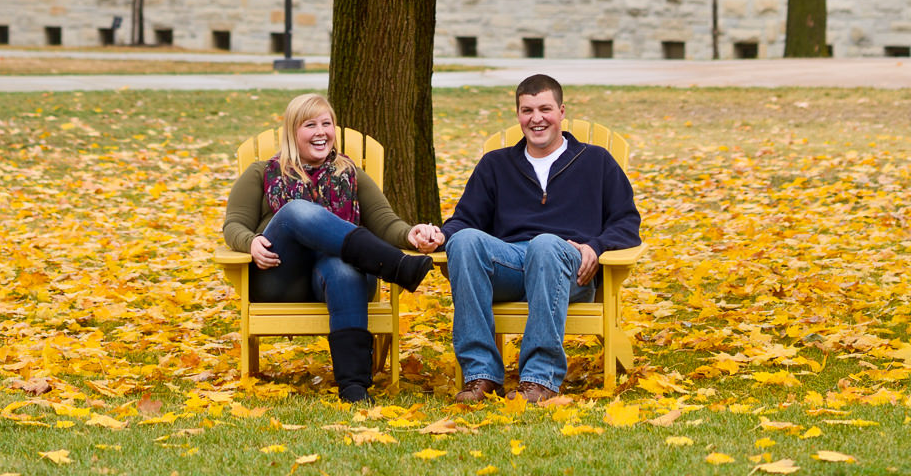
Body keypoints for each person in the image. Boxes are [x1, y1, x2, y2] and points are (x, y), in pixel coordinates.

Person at [223, 92, 445, 401]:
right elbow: (233, 225)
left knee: (342, 265)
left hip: (335, 280)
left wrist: (412, 235)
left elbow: (385, 221)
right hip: (281, 276)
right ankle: (395, 266)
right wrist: (250, 242)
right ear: (292, 132)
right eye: (309, 125)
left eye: (326, 123)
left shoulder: (350, 173)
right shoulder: (262, 173)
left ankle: (354, 387)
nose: (320, 132)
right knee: (295, 211)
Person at [442, 73, 641, 405]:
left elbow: (627, 222)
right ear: (518, 115)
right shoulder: (496, 164)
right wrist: (440, 234)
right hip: (511, 264)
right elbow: (464, 220)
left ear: (562, 111)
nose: (536, 118)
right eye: (526, 110)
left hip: (568, 265)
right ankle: (481, 376)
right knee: (463, 242)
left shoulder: (596, 161)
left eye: (545, 108)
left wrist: (596, 246)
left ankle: (539, 379)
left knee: (545, 243)